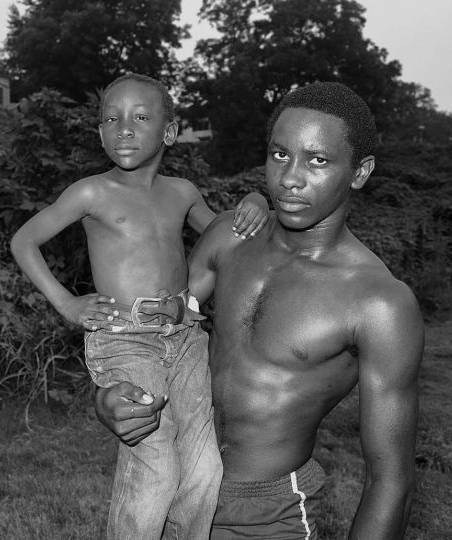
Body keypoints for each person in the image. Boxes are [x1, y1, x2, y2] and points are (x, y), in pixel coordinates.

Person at [96, 82, 425, 539]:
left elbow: (391, 481)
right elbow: (153, 332)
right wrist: (109, 398)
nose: (290, 177)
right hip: (179, 485)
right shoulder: (229, 239)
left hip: (267, 515)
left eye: (318, 160)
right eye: (279, 155)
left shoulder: (379, 302)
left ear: (360, 171)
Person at [10, 72, 270, 540]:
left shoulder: (182, 192)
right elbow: (25, 240)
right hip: (126, 339)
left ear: (168, 132)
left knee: (205, 468)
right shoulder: (91, 191)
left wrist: (254, 201)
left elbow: (227, 241)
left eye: (141, 117)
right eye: (111, 118)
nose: (124, 128)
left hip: (186, 337)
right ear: (100, 132)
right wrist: (66, 303)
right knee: (155, 467)